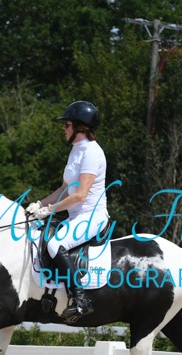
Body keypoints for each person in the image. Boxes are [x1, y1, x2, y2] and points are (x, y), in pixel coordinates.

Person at [26, 100, 109, 323]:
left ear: (80, 127)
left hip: (92, 216)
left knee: (55, 244)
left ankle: (81, 299)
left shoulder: (92, 152)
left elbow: (80, 195)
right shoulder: (76, 151)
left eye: (67, 125)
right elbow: (64, 189)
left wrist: (49, 210)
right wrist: (38, 205)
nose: (63, 128)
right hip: (75, 217)